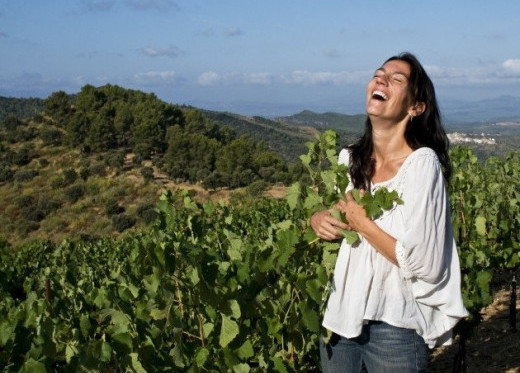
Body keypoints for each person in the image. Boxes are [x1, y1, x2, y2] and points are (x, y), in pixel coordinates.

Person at [310, 52, 468, 372]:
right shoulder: (349, 159)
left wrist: (363, 224)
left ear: (415, 107)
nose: (381, 79)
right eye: (379, 74)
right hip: (341, 318)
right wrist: (318, 219)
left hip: (396, 326)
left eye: (397, 79)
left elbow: (425, 262)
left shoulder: (422, 166)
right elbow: (341, 216)